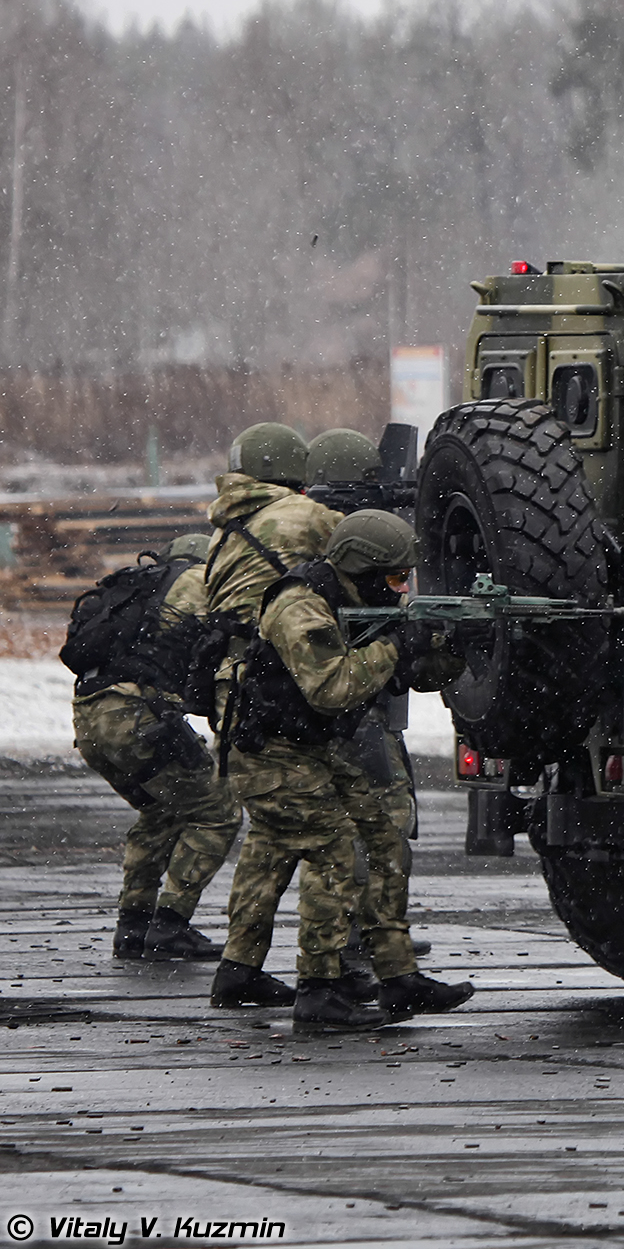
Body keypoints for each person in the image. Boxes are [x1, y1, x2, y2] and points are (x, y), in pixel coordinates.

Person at [217, 510, 472, 1034]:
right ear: (363, 568)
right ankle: (320, 992)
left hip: (307, 747)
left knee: (382, 834)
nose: (403, 590)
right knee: (336, 850)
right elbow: (331, 689)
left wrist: (451, 646)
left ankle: (394, 977)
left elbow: (409, 676)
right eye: (397, 578)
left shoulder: (360, 601)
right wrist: (397, 644)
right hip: (269, 752)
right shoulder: (300, 606)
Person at [202, 422, 340, 1010]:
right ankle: (323, 985)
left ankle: (240, 968)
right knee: (334, 843)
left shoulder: (226, 529)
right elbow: (373, 549)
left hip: (239, 698)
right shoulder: (303, 518)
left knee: (272, 836)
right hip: (282, 692)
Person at [66, 532, 239, 962]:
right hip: (138, 717)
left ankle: (134, 925)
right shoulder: (197, 581)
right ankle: (171, 925)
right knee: (218, 812)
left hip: (90, 718)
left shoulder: (135, 587)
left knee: (161, 811)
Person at [304, 428, 427, 980]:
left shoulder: (288, 523)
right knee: (380, 821)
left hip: (309, 699)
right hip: (348, 697)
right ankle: (362, 943)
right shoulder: (340, 537)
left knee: (315, 835)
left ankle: (357, 943)